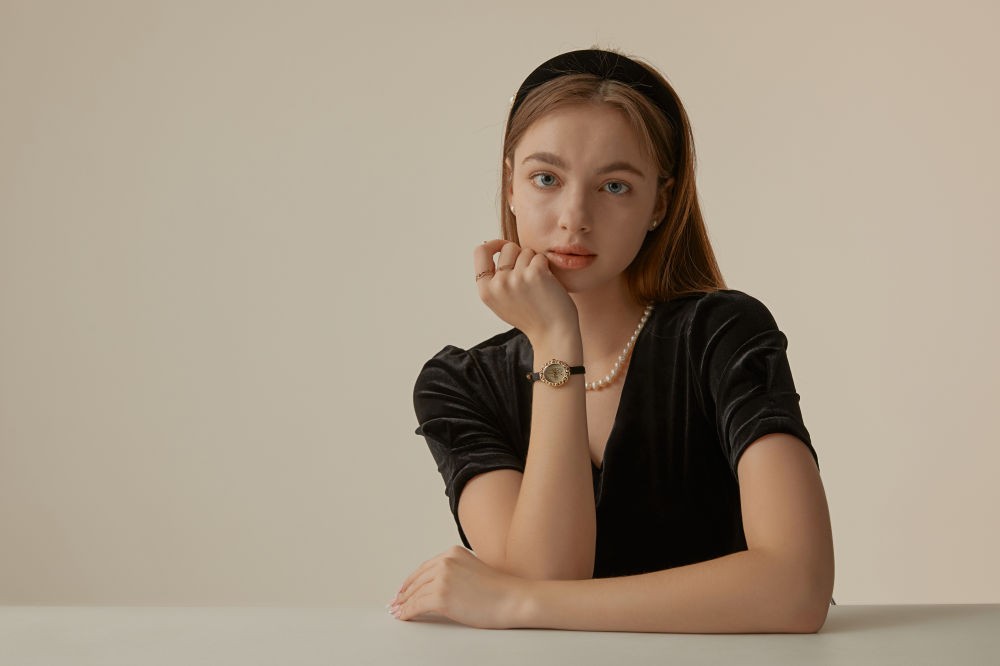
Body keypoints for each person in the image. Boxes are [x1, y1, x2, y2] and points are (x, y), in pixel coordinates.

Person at [389, 48, 834, 633]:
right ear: (511, 184)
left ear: (660, 203)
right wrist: (555, 341)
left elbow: (798, 590)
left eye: (615, 186)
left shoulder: (722, 334)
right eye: (546, 179)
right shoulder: (460, 385)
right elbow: (549, 576)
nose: (574, 216)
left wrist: (510, 601)